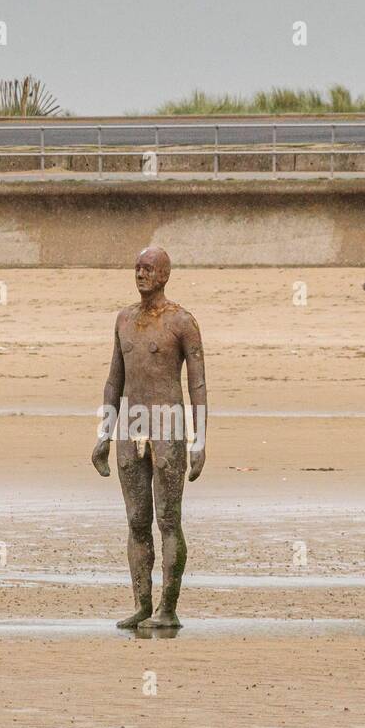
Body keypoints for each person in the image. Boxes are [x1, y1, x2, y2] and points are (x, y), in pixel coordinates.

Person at [91, 247, 208, 638]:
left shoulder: (181, 321)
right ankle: (142, 604)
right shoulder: (123, 319)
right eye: (137, 268)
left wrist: (199, 440)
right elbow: (113, 380)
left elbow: (198, 385)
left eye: (148, 269)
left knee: (168, 521)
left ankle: (168, 608)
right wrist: (103, 434)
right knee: (136, 521)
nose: (140, 274)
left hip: (168, 424)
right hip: (131, 424)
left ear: (164, 275)